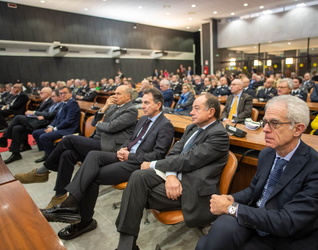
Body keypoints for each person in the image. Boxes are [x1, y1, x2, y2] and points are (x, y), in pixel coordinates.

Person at [196, 95, 318, 250]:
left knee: (212, 241)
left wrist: (231, 207)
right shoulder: (267, 153)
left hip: (287, 238)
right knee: (214, 233)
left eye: (274, 123)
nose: (265, 129)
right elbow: (255, 190)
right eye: (265, 122)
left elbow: (288, 222)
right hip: (260, 220)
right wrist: (230, 198)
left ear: (298, 129)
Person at [40, 88, 175, 241]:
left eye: (146, 103)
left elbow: (157, 155)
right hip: (125, 154)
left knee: (93, 176)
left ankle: (81, 217)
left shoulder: (165, 125)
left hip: (137, 163)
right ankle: (71, 205)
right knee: (93, 155)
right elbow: (131, 138)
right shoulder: (143, 119)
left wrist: (130, 155)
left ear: (158, 105)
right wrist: (123, 148)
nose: (142, 106)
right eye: (142, 102)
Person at [110, 93, 229, 250]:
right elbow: (174, 154)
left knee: (135, 191)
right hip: (176, 178)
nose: (191, 112)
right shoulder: (192, 127)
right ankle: (127, 245)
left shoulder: (219, 135)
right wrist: (171, 175)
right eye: (192, 108)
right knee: (137, 177)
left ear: (211, 112)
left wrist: (153, 164)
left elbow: (188, 160)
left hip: (192, 190)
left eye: (196, 108)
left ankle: (125, 246)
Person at [14, 85, 138, 209]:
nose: (114, 96)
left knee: (68, 139)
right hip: (97, 140)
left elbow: (111, 127)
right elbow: (95, 122)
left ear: (128, 96)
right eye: (114, 93)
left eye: (118, 94)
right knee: (67, 154)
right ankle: (60, 195)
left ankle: (44, 170)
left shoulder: (131, 110)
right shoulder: (113, 107)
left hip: (108, 146)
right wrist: (105, 107)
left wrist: (101, 123)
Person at [0, 88, 61, 164]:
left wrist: (34, 113)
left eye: (42, 93)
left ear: (48, 93)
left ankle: (4, 137)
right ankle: (15, 153)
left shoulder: (55, 102)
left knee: (18, 117)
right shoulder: (49, 101)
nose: (40, 94)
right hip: (38, 120)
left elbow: (50, 114)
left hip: (44, 123)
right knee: (17, 128)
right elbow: (45, 112)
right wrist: (38, 114)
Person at [32, 86, 81, 163]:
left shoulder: (73, 104)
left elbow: (68, 121)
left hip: (68, 129)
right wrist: (51, 126)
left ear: (70, 93)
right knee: (36, 133)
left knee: (44, 137)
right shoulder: (63, 103)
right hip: (61, 127)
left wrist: (54, 129)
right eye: (61, 93)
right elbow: (57, 118)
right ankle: (47, 153)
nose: (62, 95)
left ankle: (54, 159)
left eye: (65, 93)